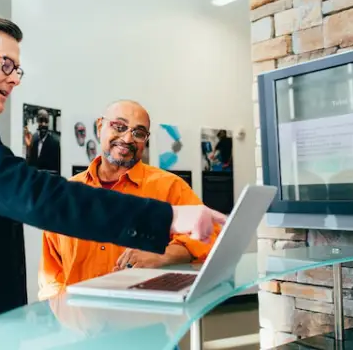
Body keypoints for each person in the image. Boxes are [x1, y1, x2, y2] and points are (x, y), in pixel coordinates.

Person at [0, 14, 226, 350]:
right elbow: (34, 195)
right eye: (4, 64)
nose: (13, 78)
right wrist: (168, 218)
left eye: (17, 69)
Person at [38, 100, 221, 300]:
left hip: (145, 319)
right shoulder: (68, 194)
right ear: (100, 127)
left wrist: (163, 255)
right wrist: (62, 316)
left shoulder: (169, 186)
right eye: (119, 126)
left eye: (138, 133)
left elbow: (211, 236)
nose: (127, 138)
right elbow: (51, 274)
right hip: (80, 323)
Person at [24, 109, 61, 174]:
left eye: (46, 121)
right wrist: (28, 148)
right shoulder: (33, 139)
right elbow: (29, 164)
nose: (43, 124)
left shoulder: (55, 143)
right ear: (37, 121)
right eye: (41, 120)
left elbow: (57, 170)